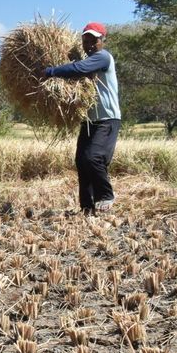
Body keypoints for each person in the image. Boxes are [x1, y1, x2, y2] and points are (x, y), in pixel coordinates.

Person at [41, 22, 121, 216]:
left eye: (94, 40)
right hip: (89, 120)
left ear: (102, 40)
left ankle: (105, 195)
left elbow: (78, 68)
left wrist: (49, 71)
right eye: (86, 40)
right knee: (82, 161)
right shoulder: (91, 60)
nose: (89, 44)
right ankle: (87, 207)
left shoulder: (102, 57)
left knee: (93, 157)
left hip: (107, 118)